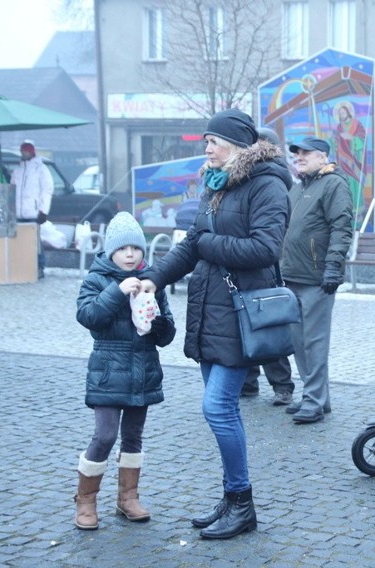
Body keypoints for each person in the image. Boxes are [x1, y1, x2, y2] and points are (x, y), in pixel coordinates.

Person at [139, 109, 291, 539]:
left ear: (239, 145)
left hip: (242, 312)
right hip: (211, 311)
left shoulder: (267, 185)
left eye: (214, 141)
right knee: (221, 408)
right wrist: (153, 278)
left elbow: (266, 248)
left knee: (217, 407)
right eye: (205, 140)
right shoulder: (216, 183)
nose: (206, 148)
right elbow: (191, 246)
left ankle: (242, 503)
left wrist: (208, 243)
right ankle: (232, 498)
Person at [74, 212, 176, 530]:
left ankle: (127, 497)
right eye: (123, 249)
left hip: (142, 371)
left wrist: (160, 325)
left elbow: (167, 335)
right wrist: (117, 292)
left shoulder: (151, 283)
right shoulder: (96, 279)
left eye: (136, 248)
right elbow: (89, 316)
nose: (130, 254)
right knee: (104, 435)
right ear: (110, 251)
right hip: (107, 370)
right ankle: (86, 501)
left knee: (133, 436)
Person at [281, 136, 354, 424]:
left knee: (315, 342)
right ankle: (317, 398)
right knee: (299, 342)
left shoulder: (334, 184)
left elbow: (342, 227)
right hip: (292, 276)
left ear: (323, 157)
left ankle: (313, 399)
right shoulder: (298, 188)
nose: (299, 156)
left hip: (317, 278)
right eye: (296, 153)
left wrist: (333, 266)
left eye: (305, 153)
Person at [240, 126, 295, 405]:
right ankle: (249, 383)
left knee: (267, 323)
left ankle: (282, 386)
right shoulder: (250, 174)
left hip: (265, 261)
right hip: (247, 260)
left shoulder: (272, 178)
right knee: (245, 323)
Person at [12, 141, 54, 279]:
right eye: (22, 151)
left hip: (33, 212)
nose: (23, 153)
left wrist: (43, 210)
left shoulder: (41, 169)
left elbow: (47, 190)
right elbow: (12, 190)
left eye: (26, 151)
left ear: (31, 152)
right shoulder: (17, 170)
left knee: (35, 241)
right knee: (19, 240)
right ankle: (22, 265)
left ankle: (40, 265)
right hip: (18, 212)